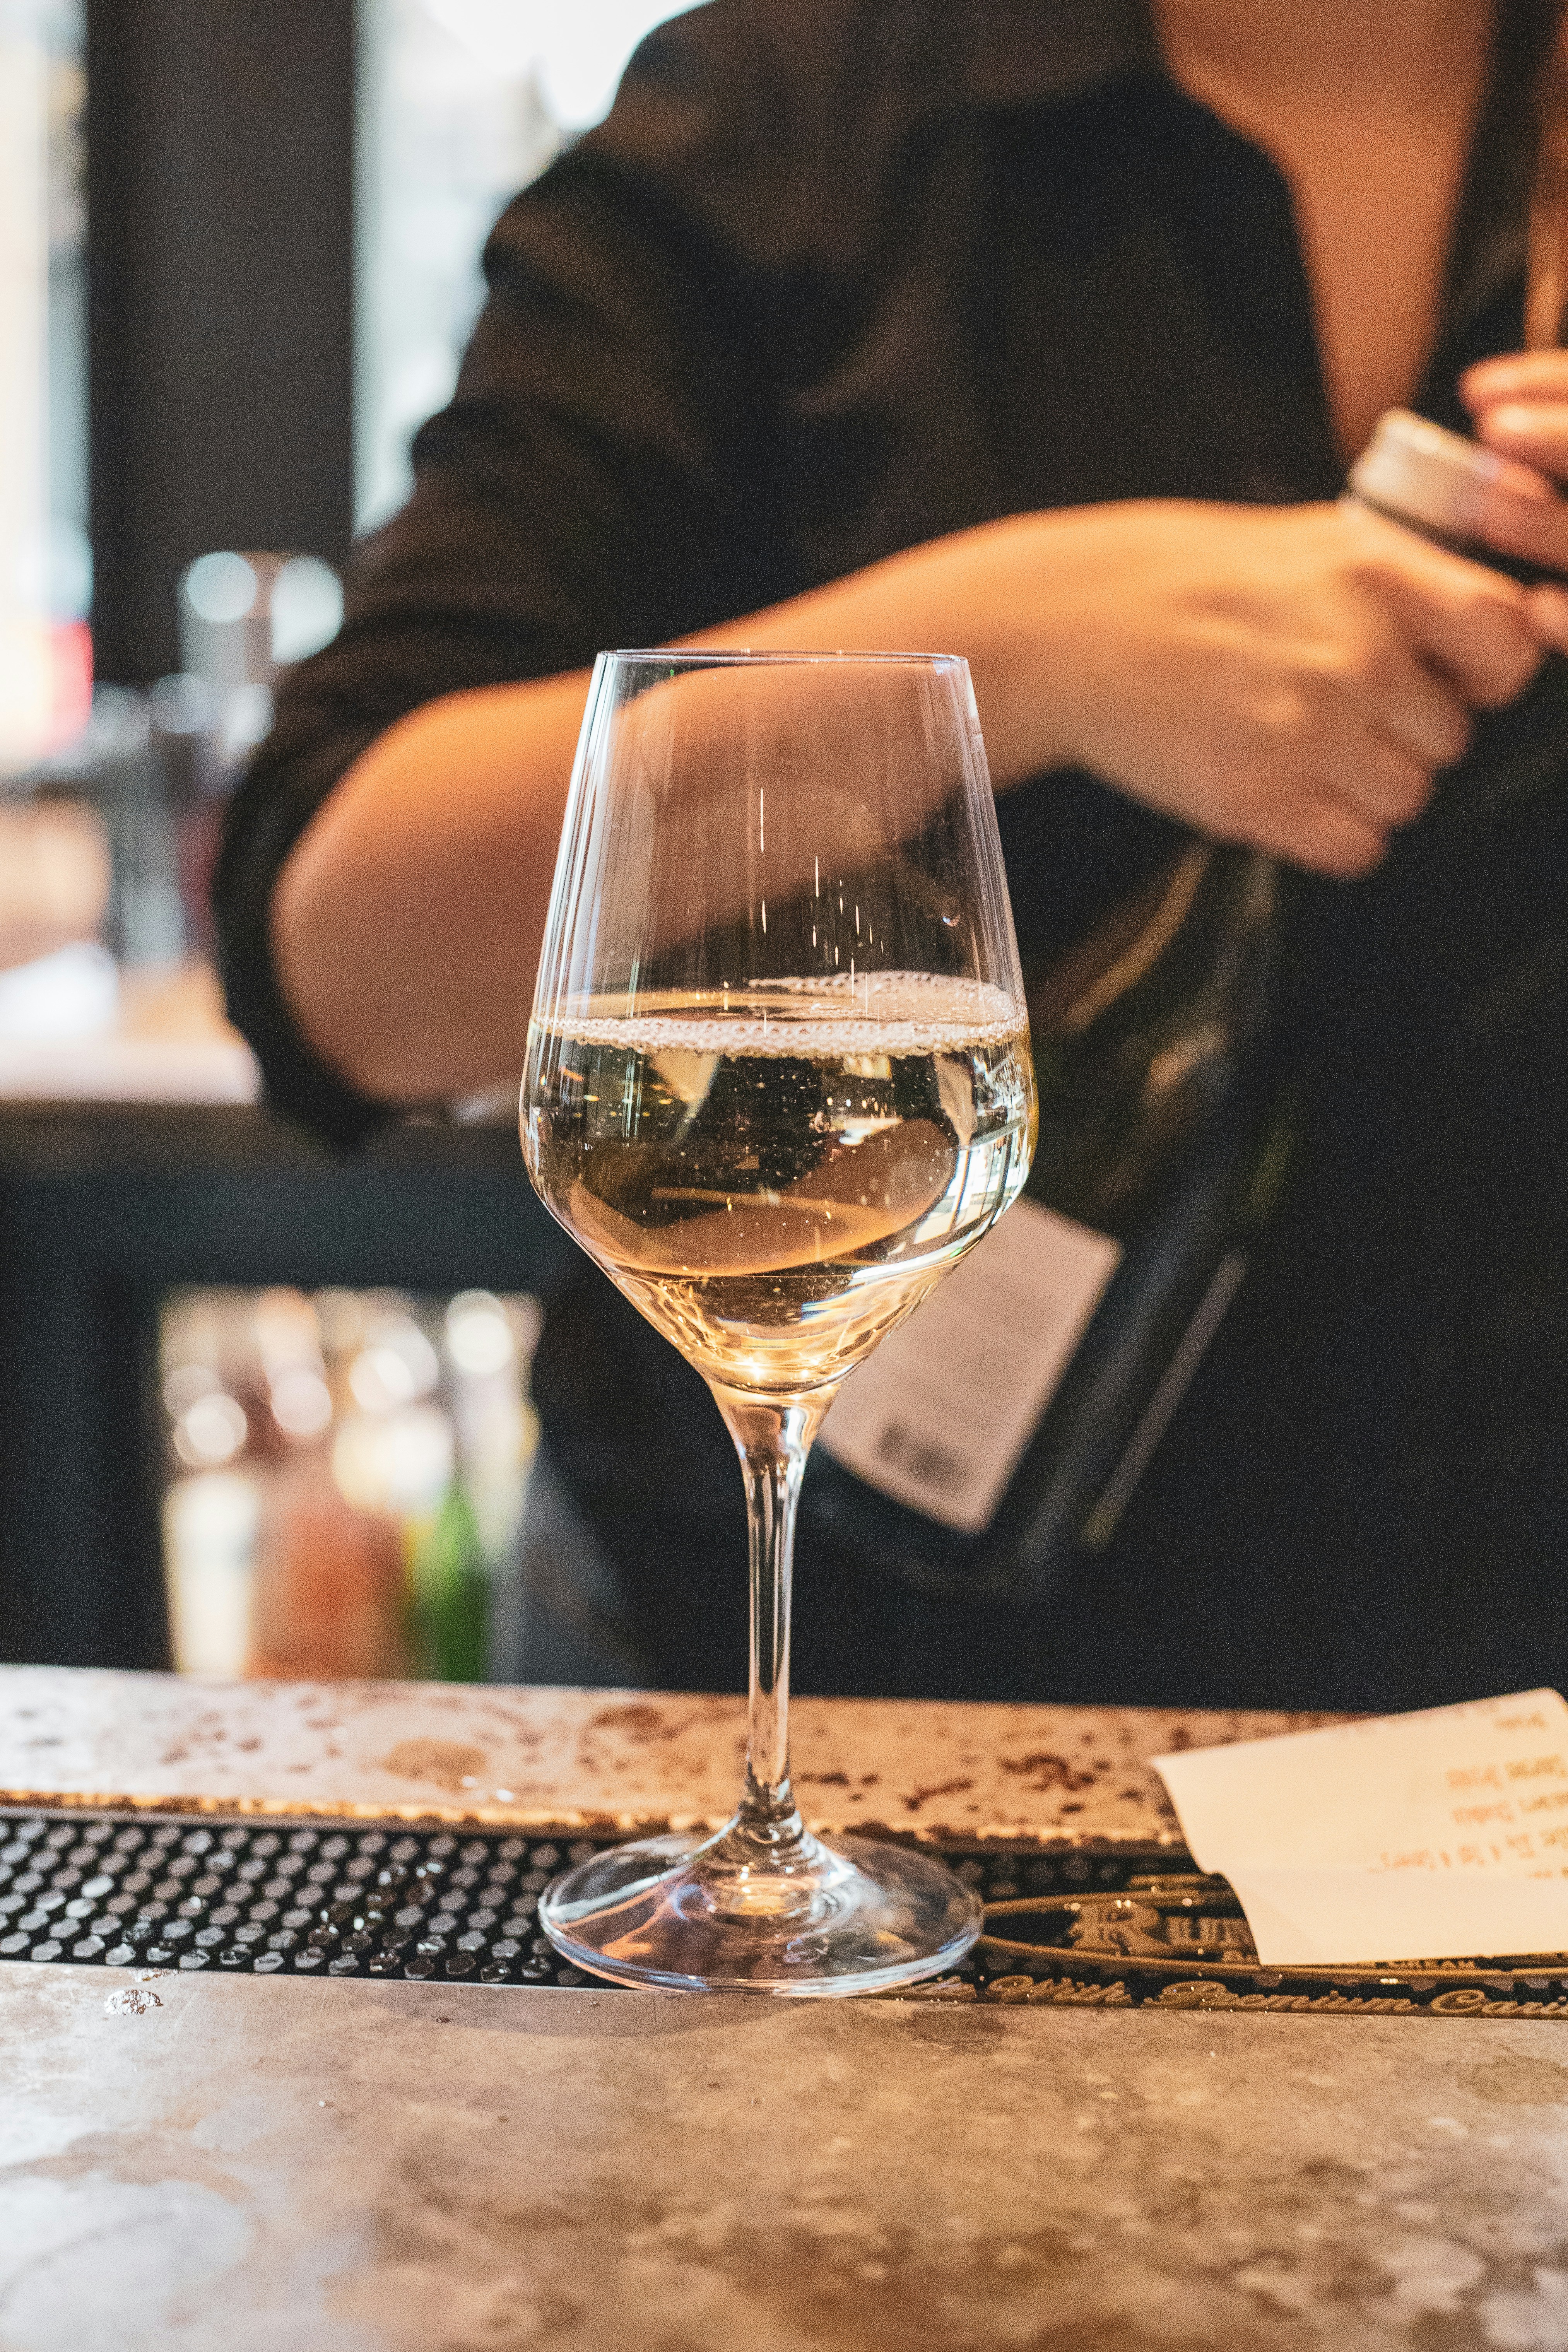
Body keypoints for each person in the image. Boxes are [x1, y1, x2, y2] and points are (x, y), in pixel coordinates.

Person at [218, 0, 1568, 1711]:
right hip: (791, 1679)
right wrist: (1027, 651)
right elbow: (343, 956)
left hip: (1516, 1722)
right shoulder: (794, 114)